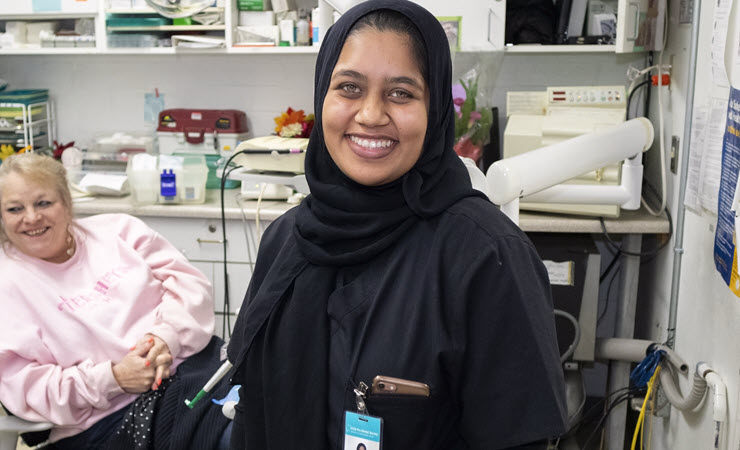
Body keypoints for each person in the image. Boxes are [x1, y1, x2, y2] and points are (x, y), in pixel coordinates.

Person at [226, 1, 568, 449]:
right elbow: (252, 412)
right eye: (349, 87)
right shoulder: (286, 240)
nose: (370, 114)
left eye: (401, 93)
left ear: (435, 109)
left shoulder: (485, 255)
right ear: (321, 97)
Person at [0, 153, 230, 449]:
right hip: (108, 420)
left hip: (193, 368)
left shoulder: (118, 231)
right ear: (1, 217)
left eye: (43, 203)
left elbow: (189, 284)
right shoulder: (2, 289)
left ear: (66, 202)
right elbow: (27, 389)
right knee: (236, 435)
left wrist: (165, 337)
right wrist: (114, 378)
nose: (31, 217)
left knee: (274, 404)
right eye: (15, 209)